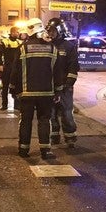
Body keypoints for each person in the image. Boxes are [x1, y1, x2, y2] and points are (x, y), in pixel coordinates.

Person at [9, 18, 62, 159]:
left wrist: (13, 89)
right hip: (46, 93)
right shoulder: (52, 48)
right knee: (44, 120)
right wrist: (58, 90)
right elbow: (57, 72)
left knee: (25, 120)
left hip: (27, 93)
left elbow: (15, 71)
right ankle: (45, 150)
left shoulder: (23, 48)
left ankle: (23, 150)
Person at [46, 18, 80, 147]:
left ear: (60, 31)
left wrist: (69, 83)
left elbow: (73, 67)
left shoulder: (68, 47)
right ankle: (54, 135)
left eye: (53, 31)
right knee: (51, 113)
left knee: (66, 112)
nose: (50, 34)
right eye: (49, 31)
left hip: (65, 86)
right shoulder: (47, 46)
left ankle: (70, 137)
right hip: (50, 85)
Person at [0, 26, 21, 110]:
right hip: (7, 67)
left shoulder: (19, 43)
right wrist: (0, 65)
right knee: (5, 87)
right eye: (17, 32)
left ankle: (17, 105)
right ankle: (4, 105)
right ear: (12, 32)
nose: (18, 34)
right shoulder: (5, 42)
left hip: (16, 68)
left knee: (17, 86)